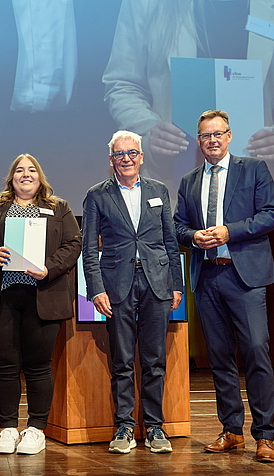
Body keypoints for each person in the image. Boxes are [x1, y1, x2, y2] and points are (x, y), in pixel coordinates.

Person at [174, 110, 274, 462]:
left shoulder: (254, 169)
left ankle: (265, 436)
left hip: (245, 277)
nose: (212, 140)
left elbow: (272, 215)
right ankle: (232, 431)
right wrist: (194, 236)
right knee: (220, 358)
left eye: (218, 134)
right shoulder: (189, 181)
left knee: (255, 351)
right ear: (198, 141)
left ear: (230, 135)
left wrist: (228, 231)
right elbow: (177, 227)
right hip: (207, 277)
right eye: (205, 136)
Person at [102, 0, 274, 182]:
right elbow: (123, 83)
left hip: (254, 180)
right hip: (173, 177)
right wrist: (149, 131)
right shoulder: (146, 3)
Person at [0, 154, 81, 455]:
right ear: (11, 177)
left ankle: (36, 429)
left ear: (40, 177)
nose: (25, 175)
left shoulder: (59, 208)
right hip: (0, 296)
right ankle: (7, 428)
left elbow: (74, 244)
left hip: (43, 296)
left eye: (31, 170)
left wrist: (49, 267)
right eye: (19, 170)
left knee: (39, 366)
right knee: (4, 366)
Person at [82, 130, 184, 454]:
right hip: (116, 285)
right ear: (111, 159)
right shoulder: (97, 195)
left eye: (132, 153)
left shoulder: (159, 191)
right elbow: (88, 249)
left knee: (154, 361)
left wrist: (177, 284)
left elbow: (170, 242)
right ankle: (124, 427)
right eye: (119, 154)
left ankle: (155, 427)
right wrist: (96, 289)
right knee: (123, 360)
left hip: (156, 282)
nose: (126, 159)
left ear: (141, 157)